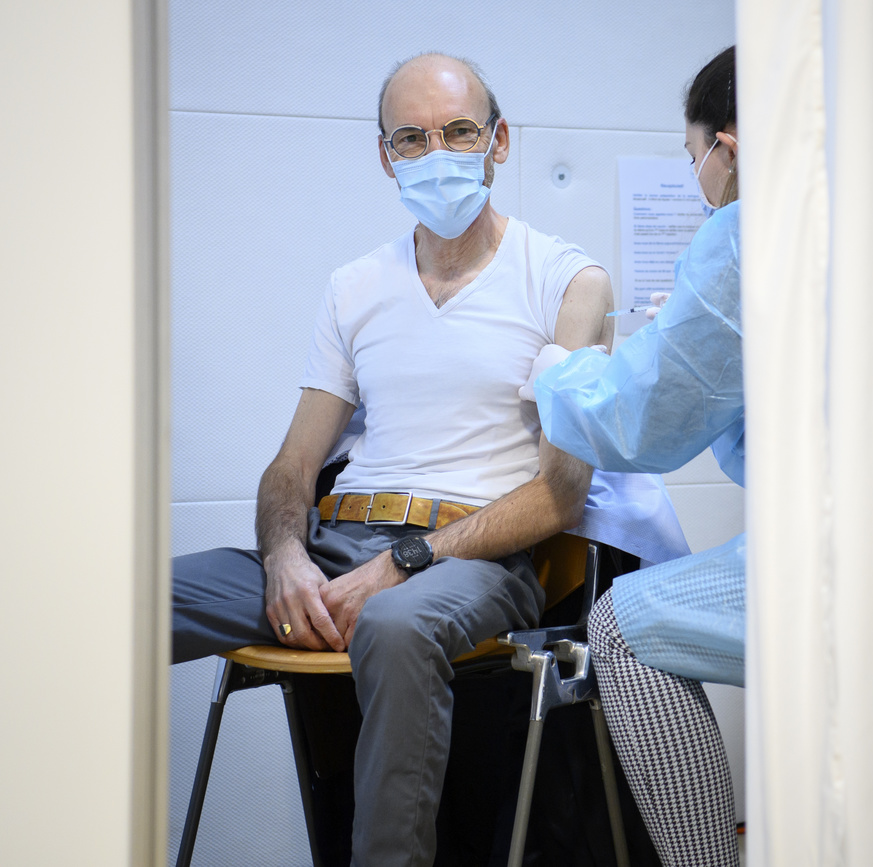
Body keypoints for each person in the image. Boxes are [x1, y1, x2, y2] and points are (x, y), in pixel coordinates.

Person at [172, 53, 623, 865]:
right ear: (385, 156)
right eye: (411, 139)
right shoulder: (355, 286)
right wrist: (283, 556)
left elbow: (561, 493)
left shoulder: (565, 279)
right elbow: (292, 465)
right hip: (337, 545)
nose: (438, 153)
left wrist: (406, 562)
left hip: (477, 555)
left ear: (500, 140)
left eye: (459, 131)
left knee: (392, 619)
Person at [526, 46, 744, 867]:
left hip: (845, 555)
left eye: (695, 159)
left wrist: (560, 376)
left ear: (728, 144)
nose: (700, 180)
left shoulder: (743, 233)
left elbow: (644, 423)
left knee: (620, 624)